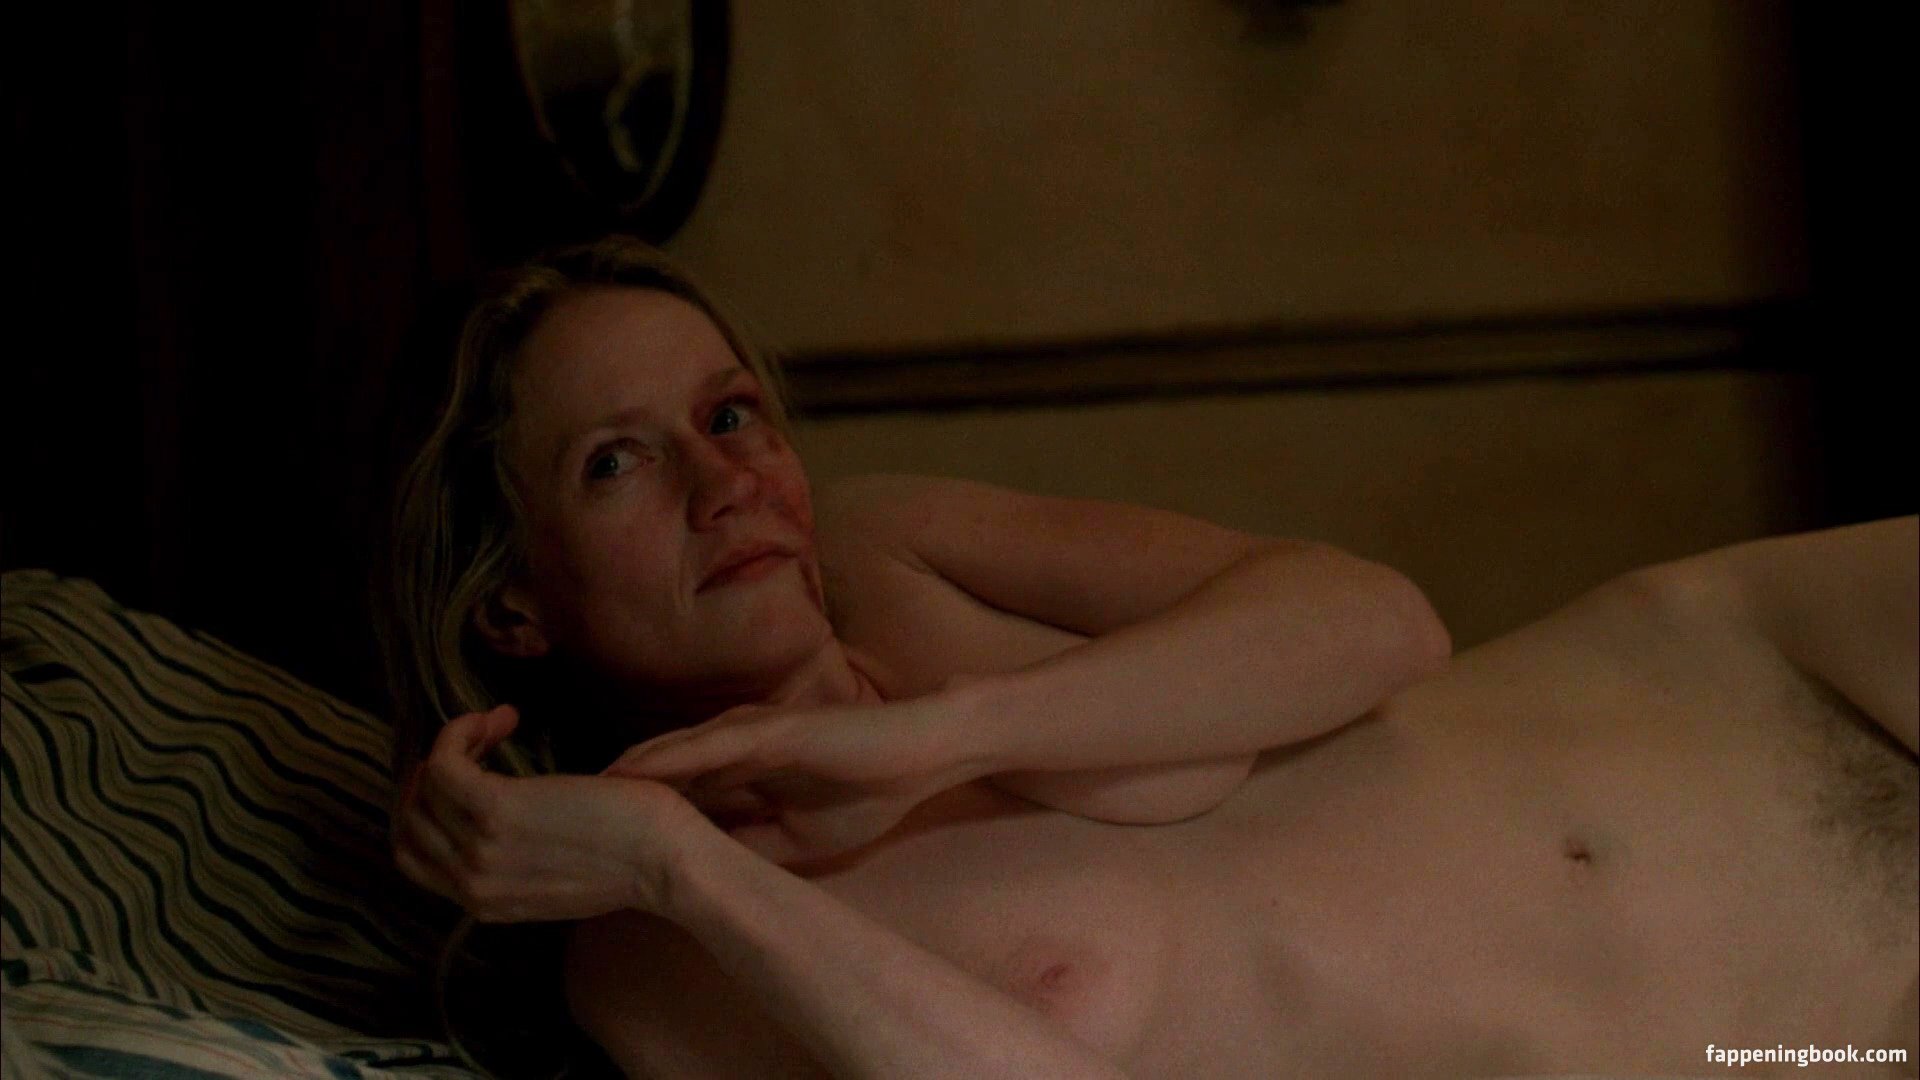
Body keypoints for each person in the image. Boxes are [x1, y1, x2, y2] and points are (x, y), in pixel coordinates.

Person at [388, 237, 1917, 1077]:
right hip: (1803, 1037)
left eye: (731, 416)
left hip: (1766, 665)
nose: (726, 482)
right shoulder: (656, 948)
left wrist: (945, 732)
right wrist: (681, 866)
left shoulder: (883, 554)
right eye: (617, 462)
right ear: (513, 607)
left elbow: (1376, 626)